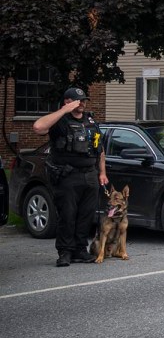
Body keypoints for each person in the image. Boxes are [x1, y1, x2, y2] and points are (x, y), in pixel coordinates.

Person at [32, 87, 109, 267]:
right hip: (67, 175)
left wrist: (102, 173)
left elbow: (100, 148)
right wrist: (64, 110)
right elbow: (38, 127)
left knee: (85, 215)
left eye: (83, 100)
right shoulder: (59, 121)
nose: (81, 103)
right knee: (67, 215)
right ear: (67, 101)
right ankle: (65, 252)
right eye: (77, 100)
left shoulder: (90, 121)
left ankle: (80, 250)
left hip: (90, 175)